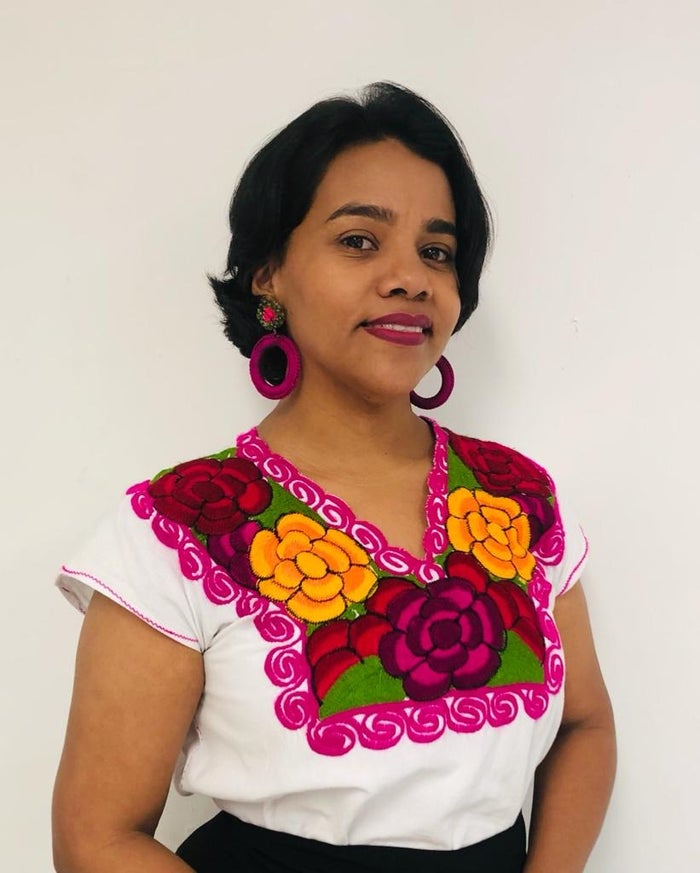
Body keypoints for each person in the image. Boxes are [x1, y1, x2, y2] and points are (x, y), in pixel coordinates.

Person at [52, 82, 616, 873]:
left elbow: (585, 725)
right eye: (359, 240)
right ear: (269, 274)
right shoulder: (181, 526)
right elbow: (96, 837)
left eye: (437, 251)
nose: (410, 277)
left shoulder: (518, 499)